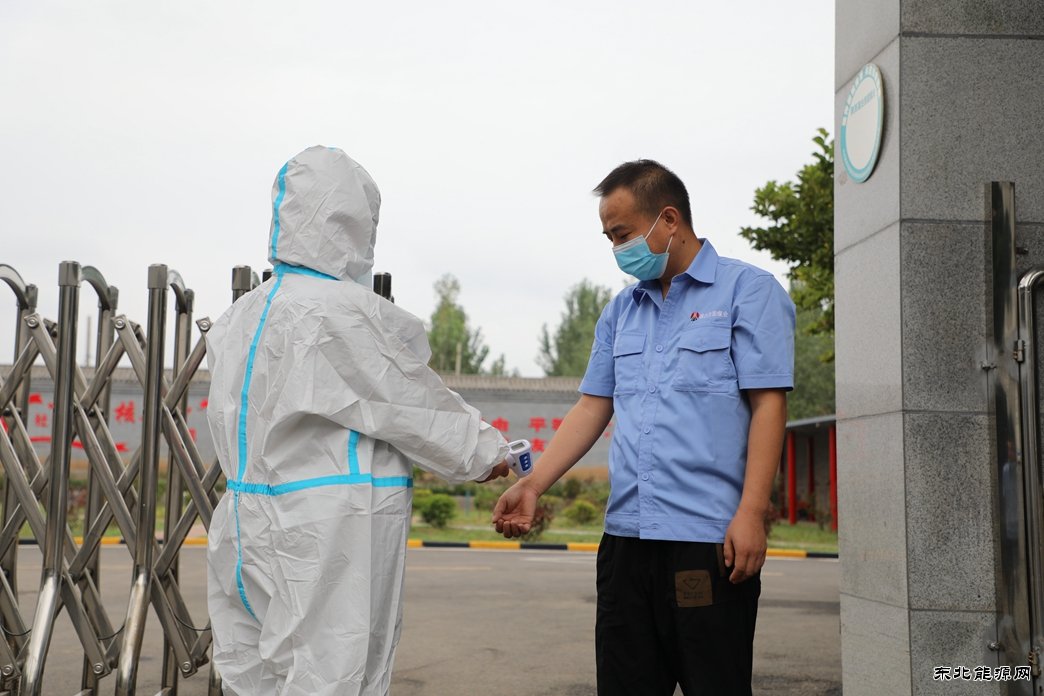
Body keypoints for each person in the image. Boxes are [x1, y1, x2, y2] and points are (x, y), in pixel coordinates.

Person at [205, 146, 509, 696]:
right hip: (325, 530)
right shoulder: (342, 311)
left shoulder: (240, 315)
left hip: (243, 524)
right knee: (332, 676)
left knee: (253, 676)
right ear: (353, 222)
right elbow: (409, 403)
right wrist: (487, 454)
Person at [493, 160, 794, 695]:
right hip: (626, 545)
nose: (617, 249)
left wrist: (752, 512)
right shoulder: (621, 311)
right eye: (609, 238)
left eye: (623, 234)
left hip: (708, 542)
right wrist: (534, 484)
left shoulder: (748, 292)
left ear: (669, 220)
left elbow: (768, 405)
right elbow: (592, 407)